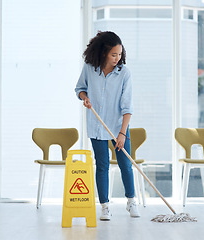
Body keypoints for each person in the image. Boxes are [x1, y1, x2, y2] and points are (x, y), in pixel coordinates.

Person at [75, 31, 140, 221]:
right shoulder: (89, 68)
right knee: (101, 166)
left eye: (120, 54)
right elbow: (80, 88)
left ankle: (131, 201)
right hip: (97, 125)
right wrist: (84, 98)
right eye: (114, 54)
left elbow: (128, 107)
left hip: (118, 127)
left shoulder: (124, 73)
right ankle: (104, 206)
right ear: (104, 53)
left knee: (125, 165)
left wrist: (122, 133)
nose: (117, 58)